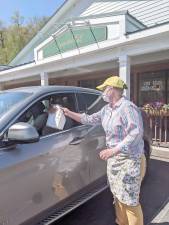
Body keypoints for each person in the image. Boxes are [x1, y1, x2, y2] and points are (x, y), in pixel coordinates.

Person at [62, 76, 146, 225]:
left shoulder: (127, 107)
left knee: (130, 201)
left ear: (112, 89)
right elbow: (88, 119)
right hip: (115, 161)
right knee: (118, 196)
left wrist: (114, 150)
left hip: (130, 159)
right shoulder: (106, 109)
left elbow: (135, 133)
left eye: (104, 89)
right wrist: (68, 113)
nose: (103, 92)